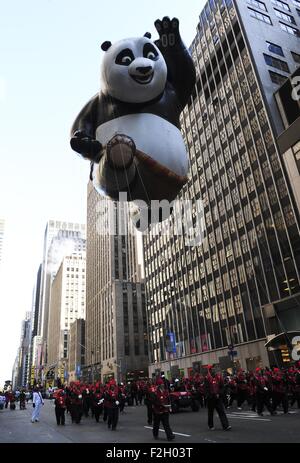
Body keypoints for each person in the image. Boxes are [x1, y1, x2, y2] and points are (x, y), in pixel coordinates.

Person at [204, 366, 231, 431]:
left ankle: (226, 426)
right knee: (210, 413)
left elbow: (222, 387)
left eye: (214, 369)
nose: (213, 371)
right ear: (209, 371)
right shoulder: (207, 378)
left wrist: (219, 393)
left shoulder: (219, 377)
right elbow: (206, 389)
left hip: (218, 398)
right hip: (211, 398)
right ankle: (210, 425)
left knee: (221, 411)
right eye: (212, 369)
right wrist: (211, 395)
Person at [151, 377, 175, 441]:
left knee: (166, 424)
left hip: (165, 410)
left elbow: (168, 400)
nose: (163, 385)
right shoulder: (155, 392)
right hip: (157, 411)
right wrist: (160, 405)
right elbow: (154, 401)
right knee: (156, 424)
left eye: (163, 384)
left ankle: (170, 436)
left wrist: (169, 406)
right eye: (161, 384)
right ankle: (155, 434)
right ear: (158, 385)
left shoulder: (166, 391)